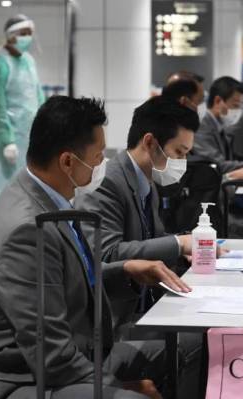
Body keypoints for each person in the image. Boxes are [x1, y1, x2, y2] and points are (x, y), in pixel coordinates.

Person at [0, 96, 199, 399]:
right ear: (67, 161)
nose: (102, 164)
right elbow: (51, 354)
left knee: (192, 344)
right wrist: (118, 387)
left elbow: (63, 275)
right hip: (15, 378)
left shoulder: (47, 196)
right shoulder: (29, 229)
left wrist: (124, 268)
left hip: (71, 354)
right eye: (98, 156)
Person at [75, 96, 203, 326]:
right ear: (150, 143)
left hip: (145, 305)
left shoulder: (147, 179)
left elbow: (149, 238)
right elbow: (106, 254)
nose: (183, 162)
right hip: (115, 320)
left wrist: (183, 249)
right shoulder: (107, 182)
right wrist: (178, 243)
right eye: (179, 152)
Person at [0, 14, 45, 202]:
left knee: (31, 190)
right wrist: (7, 141)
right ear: (11, 36)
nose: (27, 38)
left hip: (31, 136)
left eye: (29, 33)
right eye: (23, 33)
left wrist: (44, 124)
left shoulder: (29, 62)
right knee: (7, 191)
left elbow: (38, 96)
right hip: (9, 141)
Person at [191, 76, 243, 181]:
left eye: (239, 105)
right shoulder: (202, 126)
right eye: (235, 104)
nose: (237, 111)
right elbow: (218, 164)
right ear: (218, 101)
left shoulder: (219, 124)